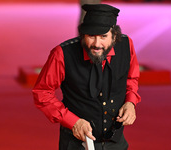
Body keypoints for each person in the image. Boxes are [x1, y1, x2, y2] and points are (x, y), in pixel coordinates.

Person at [32, 4, 141, 150]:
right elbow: (42, 92)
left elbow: (131, 79)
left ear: (114, 36)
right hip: (76, 144)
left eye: (103, 36)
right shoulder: (62, 54)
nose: (97, 44)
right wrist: (72, 121)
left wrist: (131, 102)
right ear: (83, 34)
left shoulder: (127, 45)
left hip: (116, 142)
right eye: (91, 36)